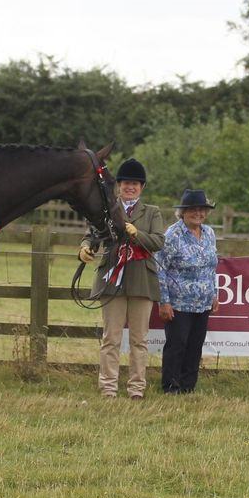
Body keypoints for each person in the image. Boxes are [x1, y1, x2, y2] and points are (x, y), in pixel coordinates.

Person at [79, 158, 165, 399]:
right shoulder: (106, 210)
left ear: (142, 187)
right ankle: (108, 387)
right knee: (111, 338)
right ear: (118, 186)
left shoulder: (152, 213)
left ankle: (136, 388)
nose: (130, 187)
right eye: (126, 183)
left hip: (141, 280)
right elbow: (91, 235)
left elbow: (158, 241)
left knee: (139, 340)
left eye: (135, 184)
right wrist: (85, 247)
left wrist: (138, 234)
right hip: (111, 279)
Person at [155, 188, 220, 394]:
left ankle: (188, 386)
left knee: (195, 345)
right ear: (182, 211)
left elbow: (212, 267)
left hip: (203, 301)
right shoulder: (172, 235)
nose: (197, 213)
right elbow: (160, 268)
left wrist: (214, 293)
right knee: (177, 344)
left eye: (201, 210)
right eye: (192, 209)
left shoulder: (209, 233)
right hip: (178, 302)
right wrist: (164, 301)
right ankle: (171, 386)